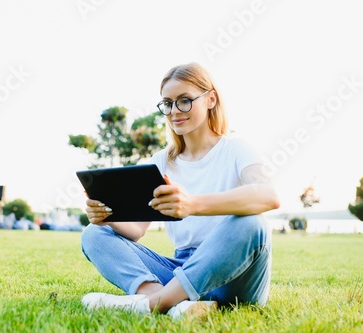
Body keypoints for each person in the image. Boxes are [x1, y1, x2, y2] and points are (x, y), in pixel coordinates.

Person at [80, 62, 280, 319]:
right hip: (181, 269)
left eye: (184, 101)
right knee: (94, 235)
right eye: (168, 103)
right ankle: (174, 302)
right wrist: (108, 217)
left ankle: (151, 304)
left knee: (253, 223)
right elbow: (136, 230)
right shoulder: (161, 161)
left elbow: (269, 196)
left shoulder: (237, 149)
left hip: (235, 276)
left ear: (210, 99)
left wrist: (193, 204)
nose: (175, 111)